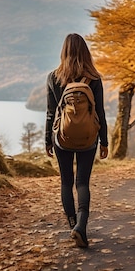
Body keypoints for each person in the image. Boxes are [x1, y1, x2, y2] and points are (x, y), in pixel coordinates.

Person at [45, 33, 109, 248]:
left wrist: (47, 140)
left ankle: (72, 225)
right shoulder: (94, 78)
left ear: (64, 51)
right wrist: (104, 141)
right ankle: (81, 225)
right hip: (89, 138)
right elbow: (100, 111)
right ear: (85, 51)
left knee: (66, 181)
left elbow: (50, 112)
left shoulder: (54, 77)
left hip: (62, 138)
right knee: (82, 182)